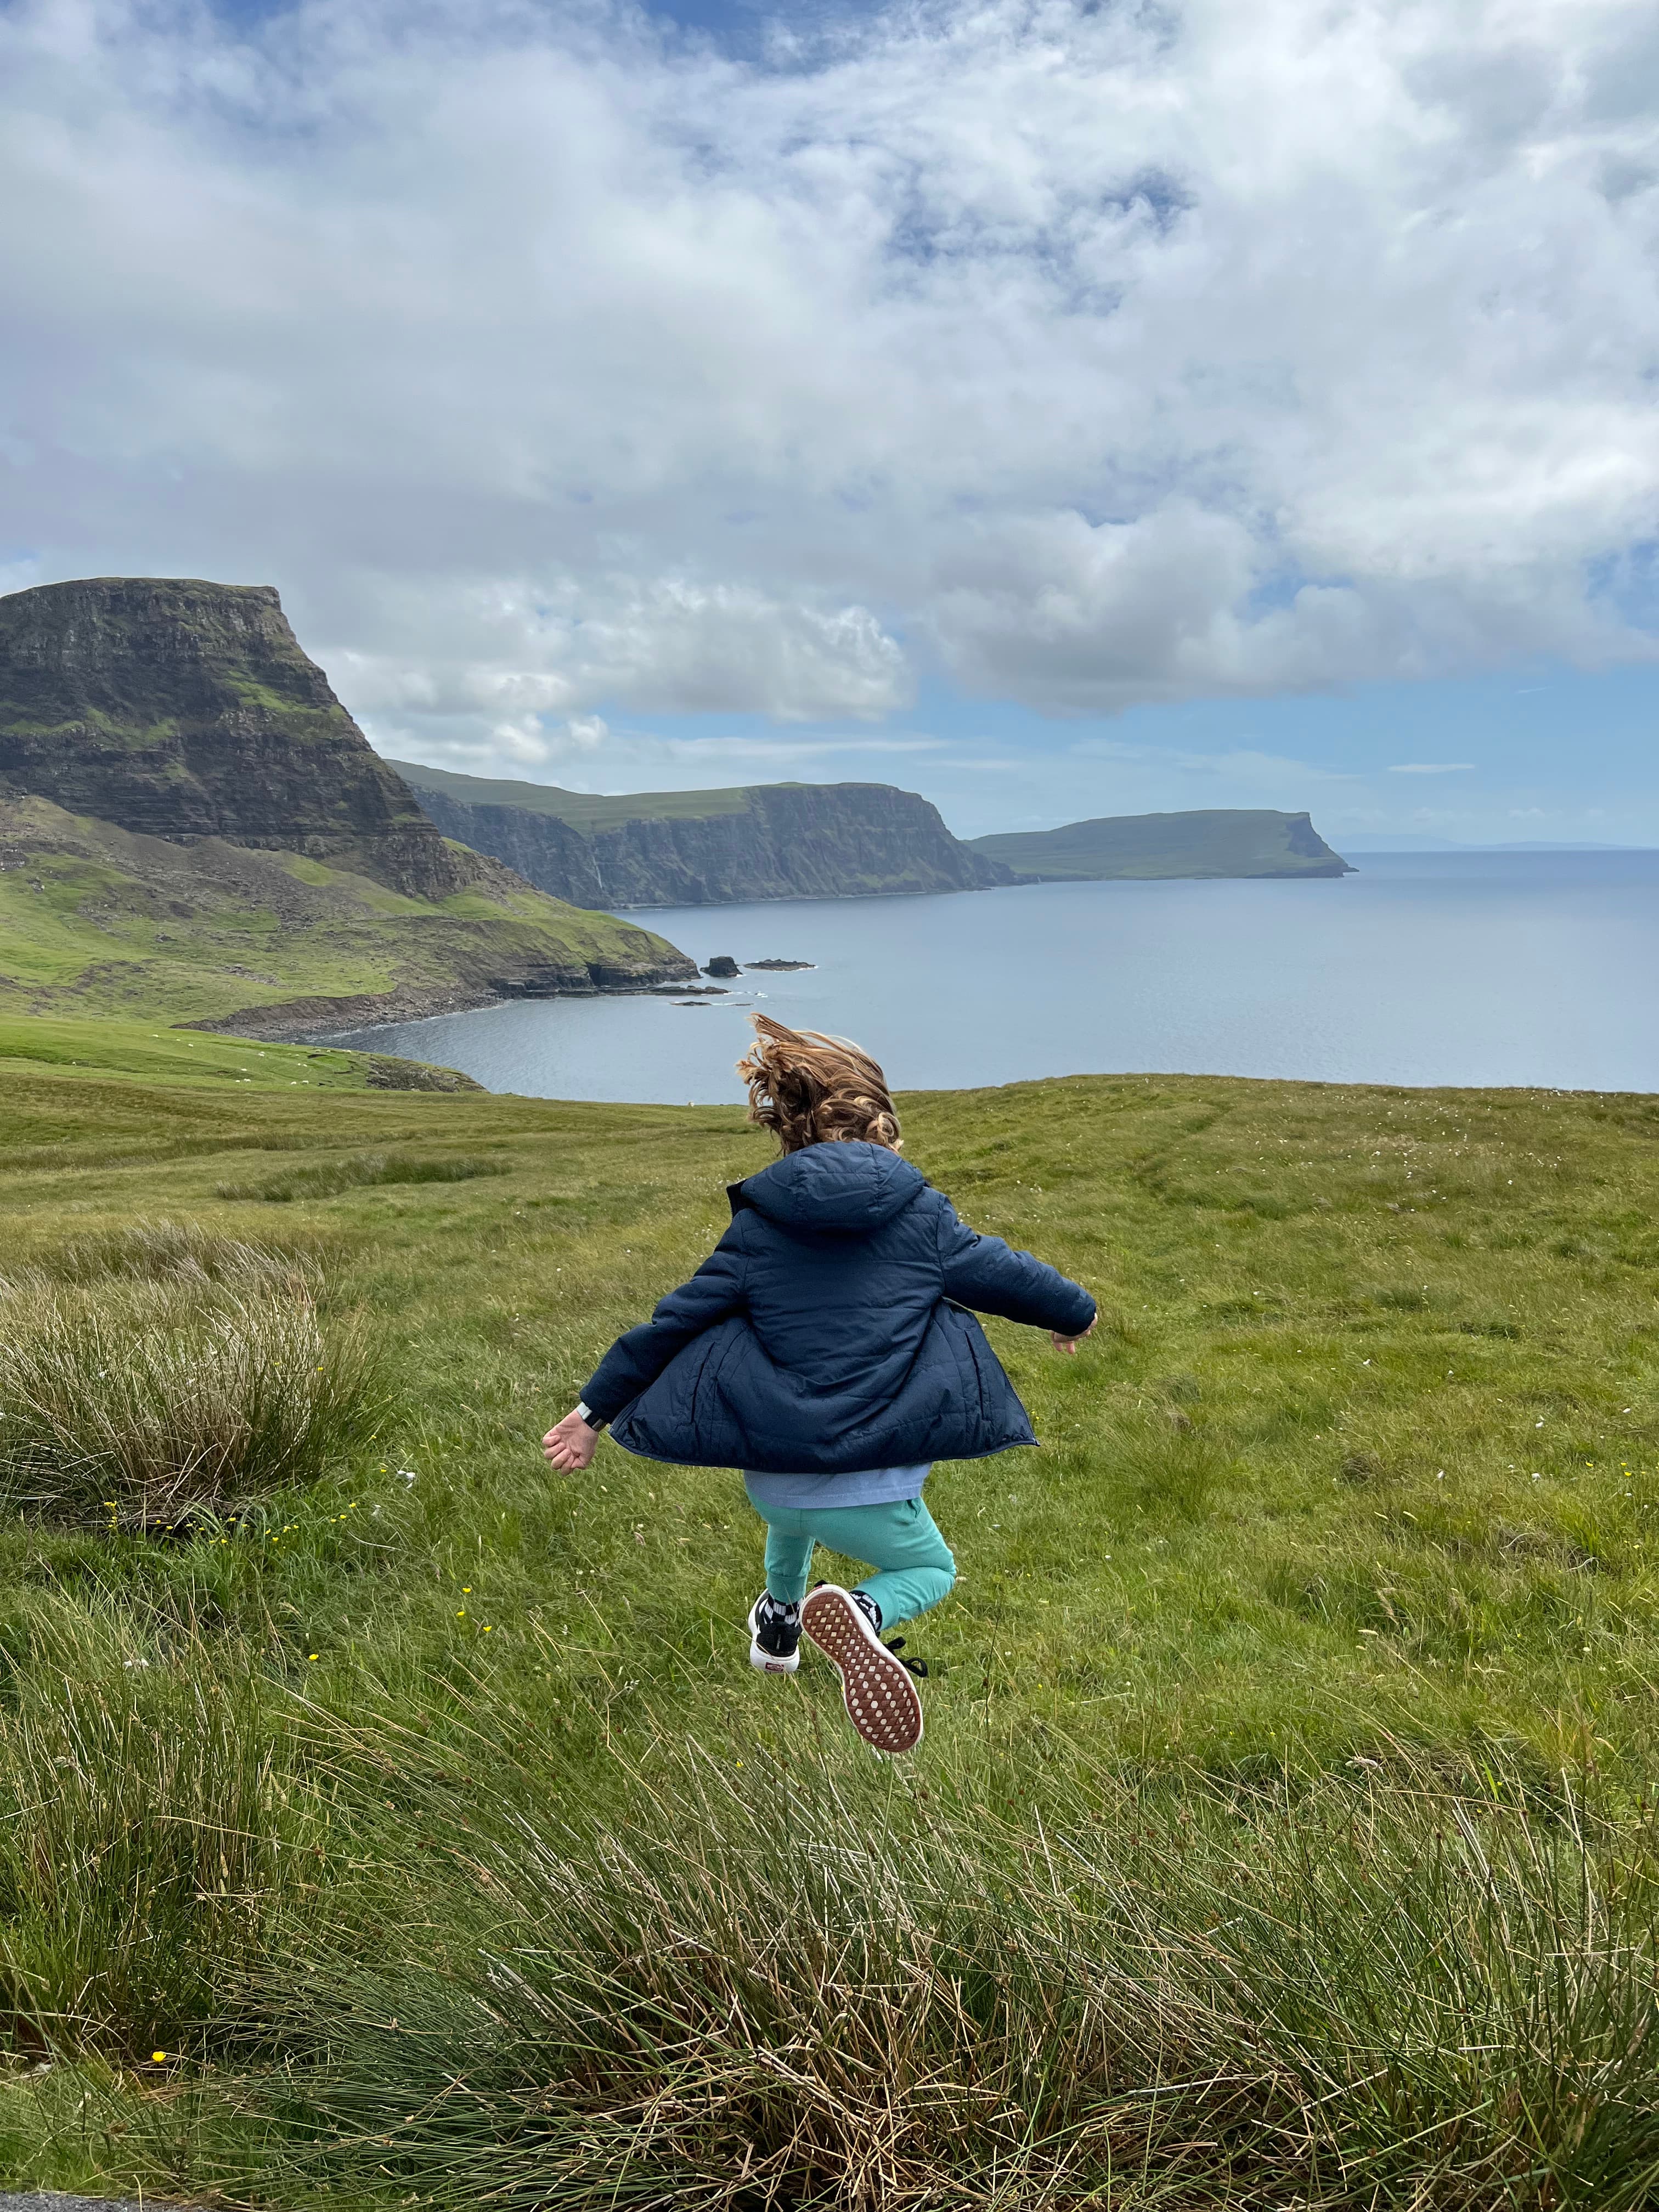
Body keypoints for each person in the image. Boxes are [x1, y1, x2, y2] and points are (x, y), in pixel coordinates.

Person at [543, 1015, 1096, 1754]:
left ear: (789, 1131)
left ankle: (779, 1620)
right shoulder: (921, 1217)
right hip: (867, 1486)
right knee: (929, 1567)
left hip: (775, 1479)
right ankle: (864, 1614)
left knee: (793, 1513)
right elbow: (1004, 1275)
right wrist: (1074, 1312)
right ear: (885, 1128)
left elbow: (667, 1326)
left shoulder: (759, 1229)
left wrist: (590, 1415)